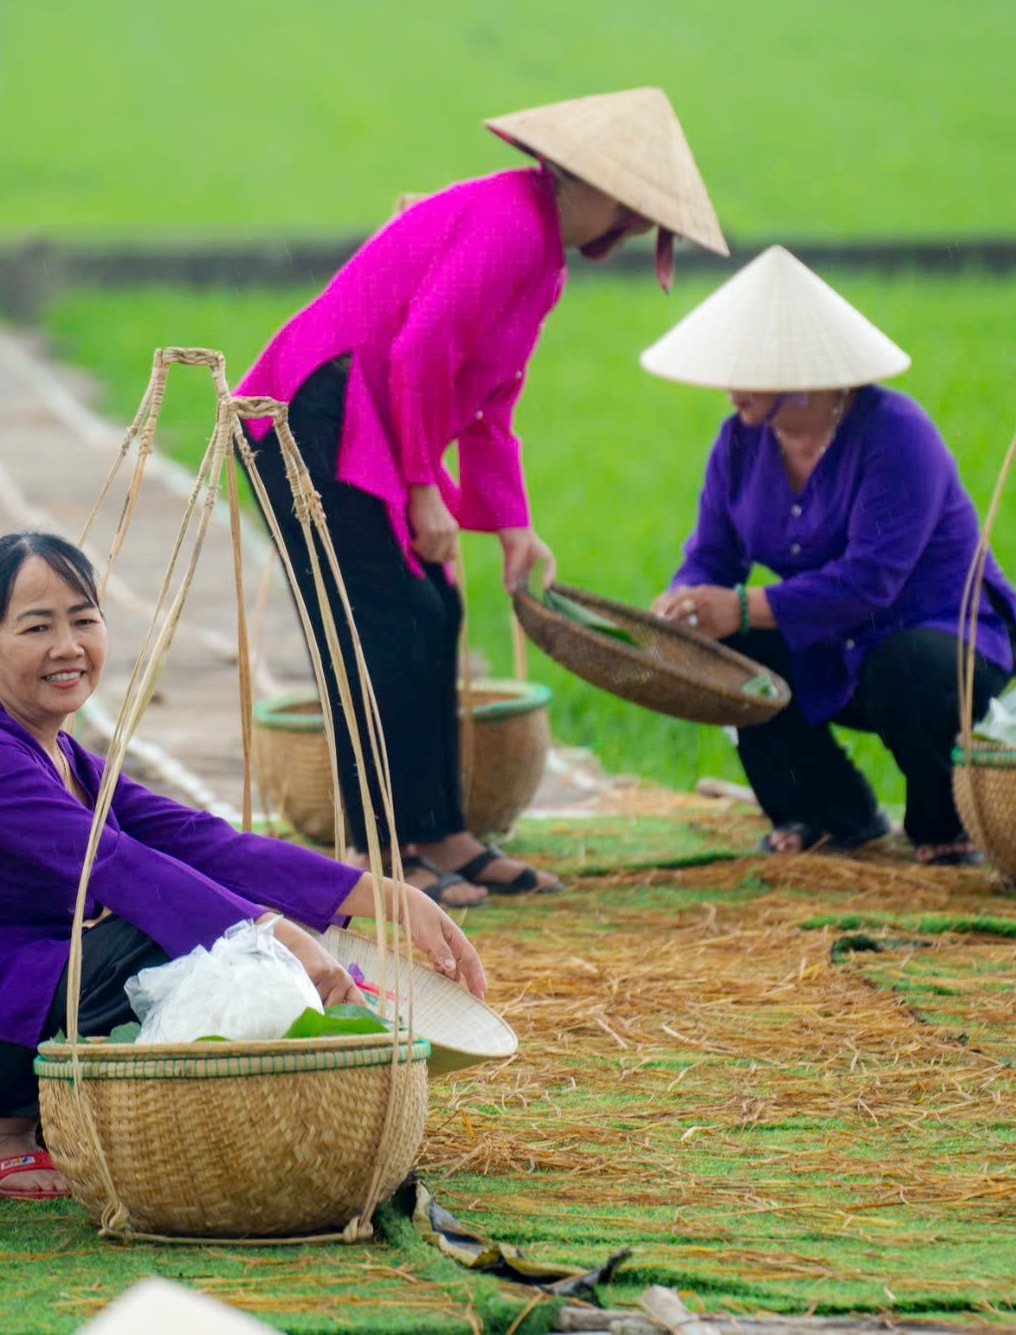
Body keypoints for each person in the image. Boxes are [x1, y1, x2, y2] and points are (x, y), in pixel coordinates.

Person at [0, 531, 485, 1200]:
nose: (68, 646)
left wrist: (382, 895)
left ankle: (22, 1110)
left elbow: (200, 840)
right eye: (37, 627)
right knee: (151, 932)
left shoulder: (63, 755)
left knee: (192, 917)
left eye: (83, 620)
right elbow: (117, 865)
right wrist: (276, 937)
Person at [240, 89, 727, 906]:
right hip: (310, 413)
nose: (637, 224)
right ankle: (380, 850)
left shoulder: (544, 259)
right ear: (585, 183)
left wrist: (512, 526)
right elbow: (422, 352)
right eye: (632, 204)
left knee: (434, 612)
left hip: (374, 416)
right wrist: (428, 489)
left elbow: (490, 401)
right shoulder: (510, 221)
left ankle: (442, 831)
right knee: (378, 624)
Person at [640, 246, 1016, 866]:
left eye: (747, 369)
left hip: (939, 643)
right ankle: (827, 812)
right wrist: (687, 601)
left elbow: (868, 583)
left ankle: (945, 821)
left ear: (801, 372)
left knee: (906, 667)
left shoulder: (897, 434)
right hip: (833, 645)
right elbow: (711, 556)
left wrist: (739, 605)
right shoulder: (738, 444)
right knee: (730, 655)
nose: (728, 387)